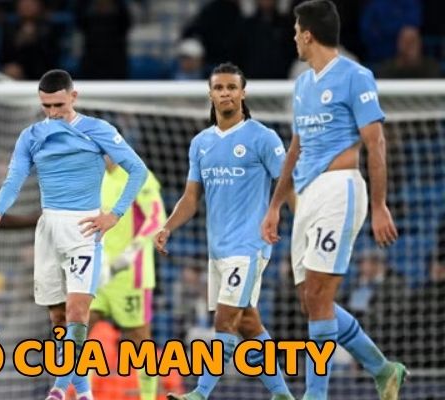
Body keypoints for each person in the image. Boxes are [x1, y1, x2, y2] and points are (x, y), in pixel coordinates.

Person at [261, 1, 407, 399]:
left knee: (320, 296)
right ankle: (383, 369)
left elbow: (376, 142)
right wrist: (275, 205)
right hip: (306, 196)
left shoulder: (355, 76)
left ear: (308, 35)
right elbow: (296, 147)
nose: (293, 37)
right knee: (310, 300)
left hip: (340, 188)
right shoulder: (302, 84)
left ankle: (316, 395)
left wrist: (379, 206)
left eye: (296, 31)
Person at [0, 69, 148, 400]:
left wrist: (114, 214)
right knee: (58, 317)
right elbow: (15, 177)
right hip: (48, 228)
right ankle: (79, 390)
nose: (53, 112)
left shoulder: (97, 130)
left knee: (76, 312)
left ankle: (64, 388)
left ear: (74, 97)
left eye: (58, 105)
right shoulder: (31, 135)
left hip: (84, 227)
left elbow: (137, 170)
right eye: (46, 106)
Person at [155, 63, 293, 400]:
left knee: (224, 322)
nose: (225, 93)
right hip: (217, 249)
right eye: (219, 87)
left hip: (249, 246)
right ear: (211, 94)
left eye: (232, 87)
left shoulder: (262, 137)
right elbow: (191, 197)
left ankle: (199, 394)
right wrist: (168, 226)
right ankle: (282, 394)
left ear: (243, 93)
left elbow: (288, 184)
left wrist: (296, 222)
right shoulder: (201, 143)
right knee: (247, 323)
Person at [90, 154, 166, 400]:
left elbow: (156, 218)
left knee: (139, 339)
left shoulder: (139, 175)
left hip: (131, 274)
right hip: (98, 272)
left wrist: (129, 254)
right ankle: (83, 394)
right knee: (80, 330)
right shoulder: (94, 176)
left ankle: (148, 396)